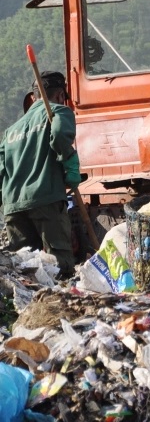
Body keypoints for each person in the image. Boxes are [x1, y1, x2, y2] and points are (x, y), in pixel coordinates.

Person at [0, 71, 82, 277]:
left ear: (33, 97)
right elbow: (61, 136)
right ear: (61, 96)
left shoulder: (11, 130)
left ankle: (30, 305)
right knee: (59, 263)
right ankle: (60, 305)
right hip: (45, 198)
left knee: (23, 267)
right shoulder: (59, 112)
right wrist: (68, 158)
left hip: (13, 205)